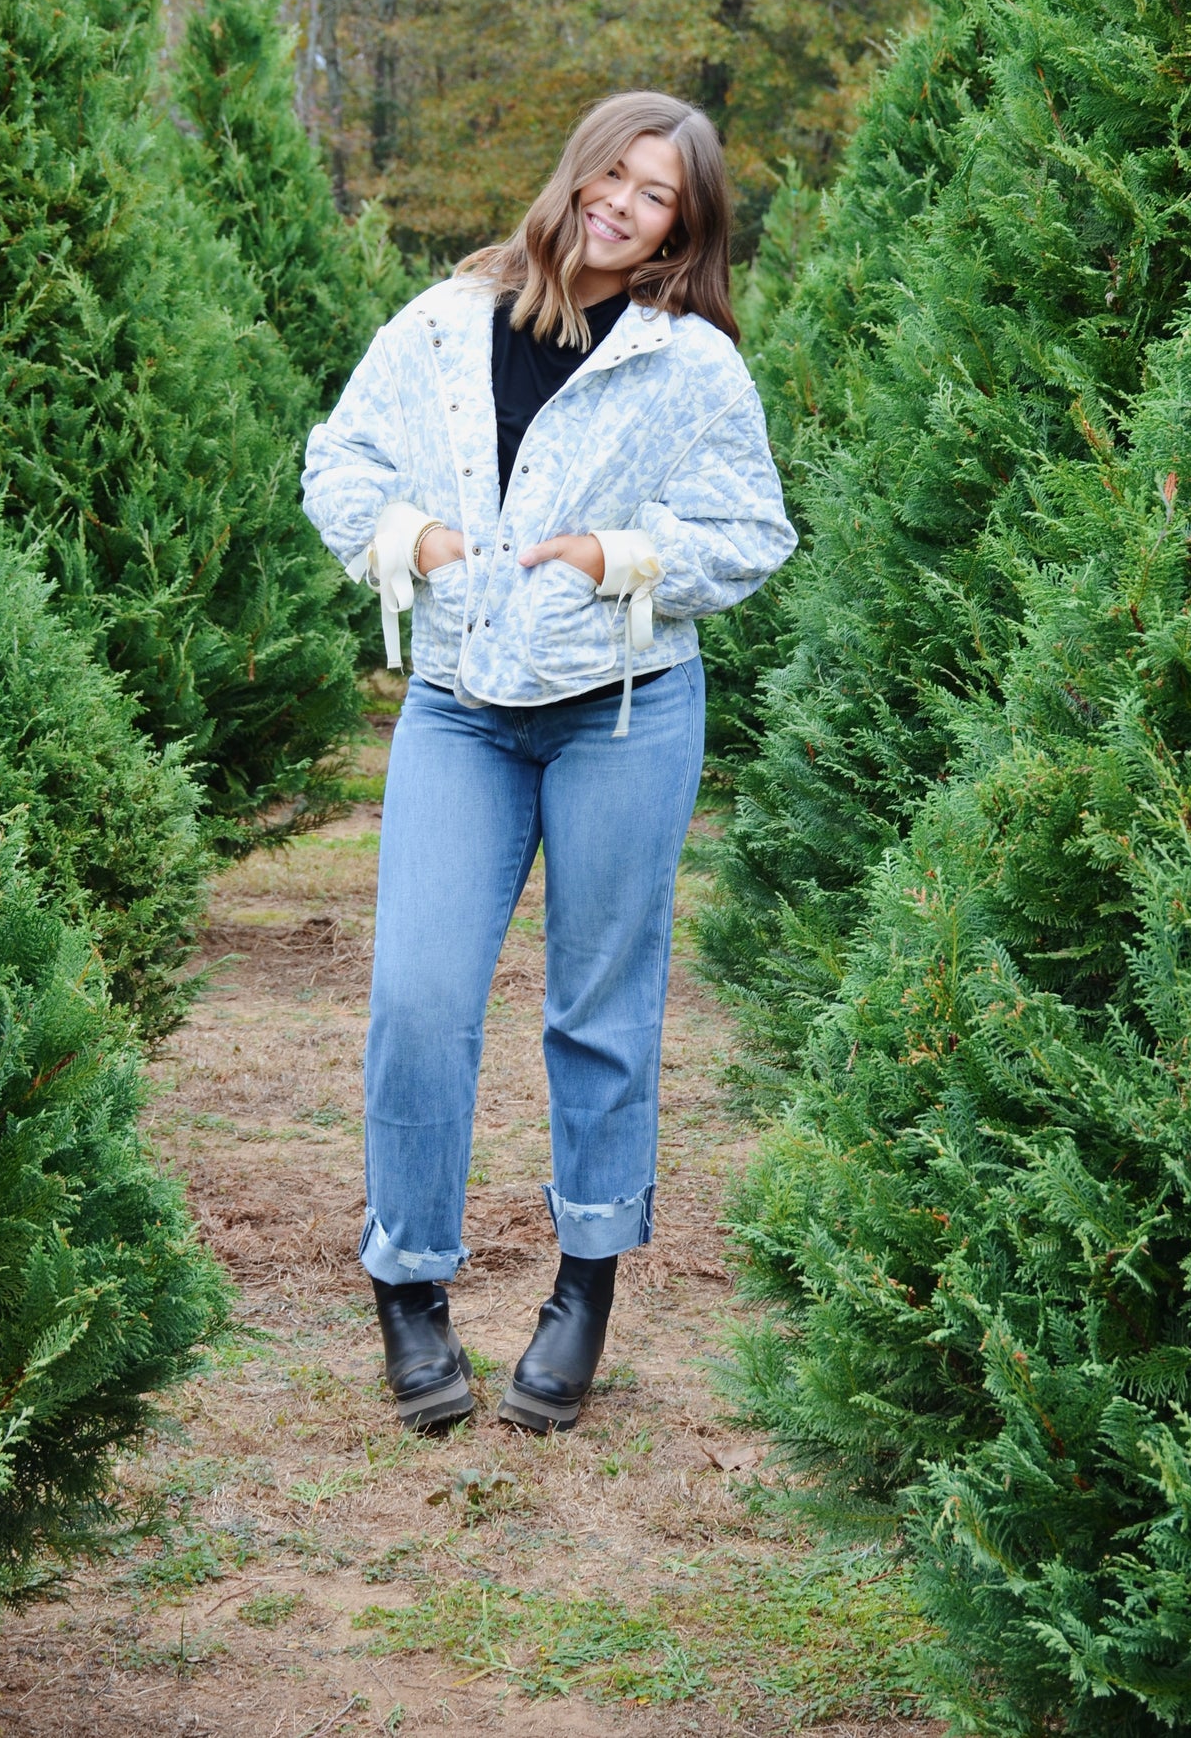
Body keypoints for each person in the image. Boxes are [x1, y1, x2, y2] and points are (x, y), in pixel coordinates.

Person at [302, 90, 796, 1434]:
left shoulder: (688, 363)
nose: (622, 205)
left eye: (658, 199)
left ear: (677, 235)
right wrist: (407, 538)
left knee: (598, 1005)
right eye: (613, 176)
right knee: (415, 995)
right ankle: (408, 1285)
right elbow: (335, 462)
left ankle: (585, 1283)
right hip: (459, 705)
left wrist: (621, 557)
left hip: (621, 713)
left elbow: (754, 531)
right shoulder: (442, 322)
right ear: (577, 172)